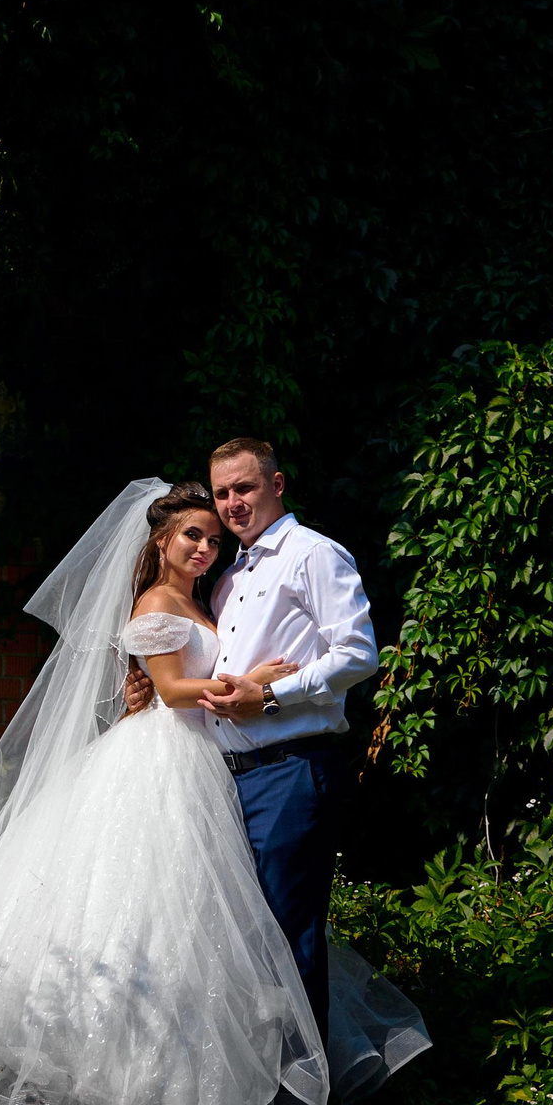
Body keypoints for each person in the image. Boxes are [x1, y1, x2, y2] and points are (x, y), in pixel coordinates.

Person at [0, 478, 426, 1105]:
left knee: (197, 919)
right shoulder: (157, 600)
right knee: (137, 906)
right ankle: (108, 1073)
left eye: (212, 538)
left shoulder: (209, 597)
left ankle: (185, 1076)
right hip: (162, 755)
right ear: (160, 540)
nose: (206, 547)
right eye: (192, 535)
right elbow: (171, 689)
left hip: (204, 758)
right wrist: (250, 684)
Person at [120, 438, 370, 1043]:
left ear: (276, 485)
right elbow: (199, 670)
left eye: (245, 487)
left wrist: (272, 695)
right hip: (221, 777)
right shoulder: (226, 579)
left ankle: (302, 1084)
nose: (232, 503)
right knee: (237, 935)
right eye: (223, 492)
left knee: (287, 933)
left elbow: (358, 654)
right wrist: (151, 690)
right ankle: (251, 1071)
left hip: (288, 768)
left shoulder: (313, 555)